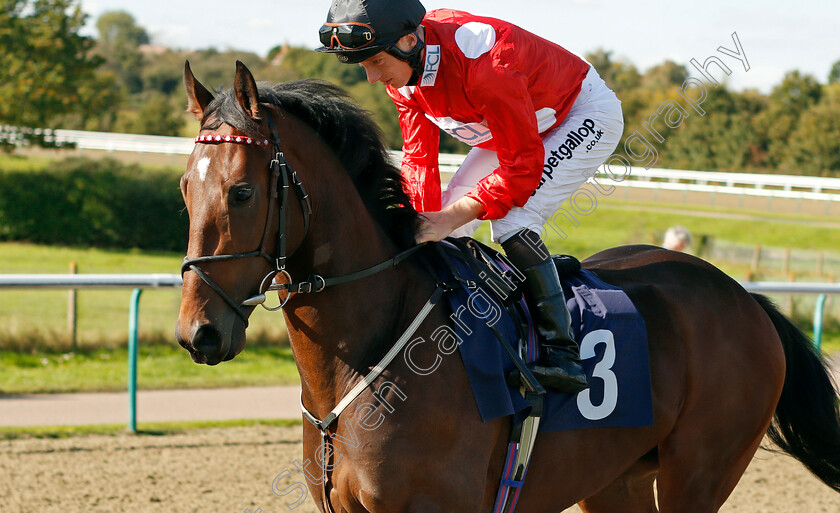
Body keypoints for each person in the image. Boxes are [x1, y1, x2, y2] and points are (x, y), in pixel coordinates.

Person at [317, 0, 624, 393]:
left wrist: (450, 219)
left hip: (579, 113)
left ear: (409, 40)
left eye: (375, 62)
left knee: (510, 219)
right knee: (445, 219)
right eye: (364, 66)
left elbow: (522, 168)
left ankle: (562, 355)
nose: (372, 78)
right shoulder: (405, 74)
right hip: (515, 124)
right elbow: (419, 161)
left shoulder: (486, 67)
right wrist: (421, 224)